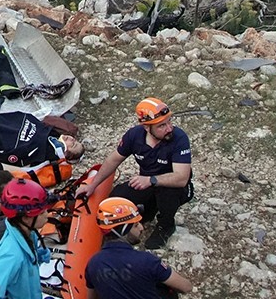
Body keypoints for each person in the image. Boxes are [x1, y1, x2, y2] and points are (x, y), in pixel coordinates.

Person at [74, 97, 192, 249]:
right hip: (148, 184)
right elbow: (114, 160)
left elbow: (182, 178)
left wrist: (150, 180)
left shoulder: (179, 138)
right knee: (118, 195)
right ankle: (142, 214)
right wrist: (93, 185)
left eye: (169, 122)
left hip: (173, 187)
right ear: (146, 127)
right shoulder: (134, 136)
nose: (169, 128)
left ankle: (166, 225)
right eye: (162, 125)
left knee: (168, 192)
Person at [85, 197, 193, 299]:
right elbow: (186, 287)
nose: (141, 228)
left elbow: (91, 297)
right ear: (124, 230)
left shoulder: (93, 264)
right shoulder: (147, 261)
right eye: (136, 225)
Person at [0, 178, 51, 299]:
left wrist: (37, 256)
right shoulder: (10, 255)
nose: (47, 214)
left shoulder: (26, 232)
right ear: (26, 218)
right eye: (41, 212)